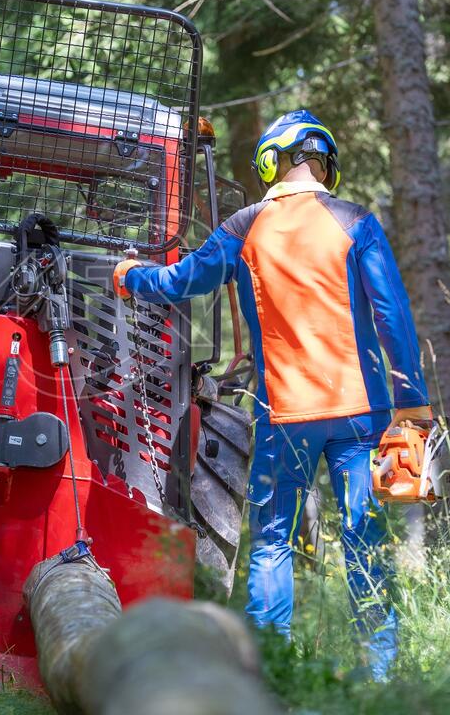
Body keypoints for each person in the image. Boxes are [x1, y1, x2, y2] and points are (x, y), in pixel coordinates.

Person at [113, 110, 432, 680]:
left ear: (270, 163)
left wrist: (128, 274)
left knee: (272, 545)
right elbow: (393, 318)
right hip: (363, 413)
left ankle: (270, 672)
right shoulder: (357, 221)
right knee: (365, 543)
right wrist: (413, 406)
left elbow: (181, 282)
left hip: (284, 417)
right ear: (324, 164)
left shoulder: (243, 226)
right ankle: (379, 676)